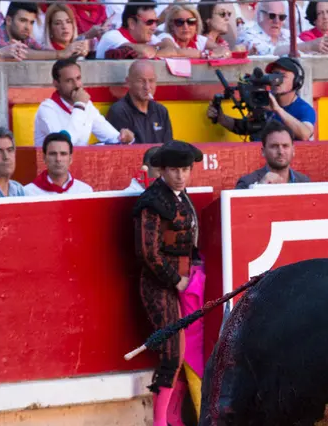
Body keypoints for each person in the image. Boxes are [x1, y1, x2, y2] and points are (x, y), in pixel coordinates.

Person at [132, 140, 204, 426]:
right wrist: (176, 280)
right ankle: (160, 422)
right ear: (162, 169)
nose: (181, 175)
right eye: (175, 170)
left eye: (185, 169)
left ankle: (173, 417)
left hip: (185, 284)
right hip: (159, 285)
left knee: (185, 353)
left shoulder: (181, 196)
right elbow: (147, 252)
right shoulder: (152, 201)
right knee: (172, 352)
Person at [208, 57, 317, 142]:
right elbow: (246, 127)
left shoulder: (304, 109)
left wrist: (277, 109)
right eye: (274, 75)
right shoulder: (262, 98)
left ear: (297, 81)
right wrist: (221, 117)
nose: (276, 80)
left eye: (282, 76)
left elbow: (305, 134)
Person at [34, 57, 135, 146]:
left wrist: (126, 137)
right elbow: (64, 144)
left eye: (78, 78)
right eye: (69, 81)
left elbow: (112, 137)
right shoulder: (47, 108)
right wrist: (80, 105)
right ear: (56, 84)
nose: (76, 85)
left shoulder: (86, 105)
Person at [106, 60, 174, 144]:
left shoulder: (161, 111)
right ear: (128, 82)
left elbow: (169, 148)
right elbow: (123, 152)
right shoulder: (119, 111)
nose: (147, 87)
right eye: (141, 81)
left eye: (151, 80)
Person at [235, 120, 311, 188]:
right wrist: (260, 188)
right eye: (274, 146)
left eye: (285, 146)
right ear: (263, 151)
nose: (280, 152)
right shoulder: (246, 183)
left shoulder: (304, 182)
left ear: (293, 150)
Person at [24, 131, 95, 195]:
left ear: (70, 159)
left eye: (63, 154)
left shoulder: (84, 192)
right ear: (44, 158)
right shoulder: (29, 193)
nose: (58, 159)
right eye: (53, 154)